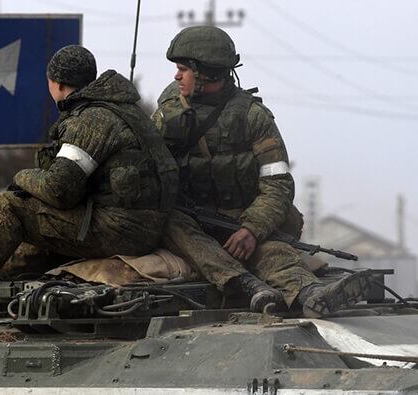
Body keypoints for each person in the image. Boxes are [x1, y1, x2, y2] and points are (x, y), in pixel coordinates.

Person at [0, 45, 178, 334]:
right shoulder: (120, 110)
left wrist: (22, 177)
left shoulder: (93, 120)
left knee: (8, 206)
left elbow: (60, 190)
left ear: (56, 83)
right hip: (135, 225)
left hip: (120, 230)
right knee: (21, 236)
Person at [152, 26, 372, 317]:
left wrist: (252, 230)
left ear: (207, 73)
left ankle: (312, 294)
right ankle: (246, 284)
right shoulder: (168, 112)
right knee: (171, 223)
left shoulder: (253, 117)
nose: (176, 76)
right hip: (190, 222)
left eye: (183, 70)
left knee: (274, 252)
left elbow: (278, 185)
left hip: (239, 220)